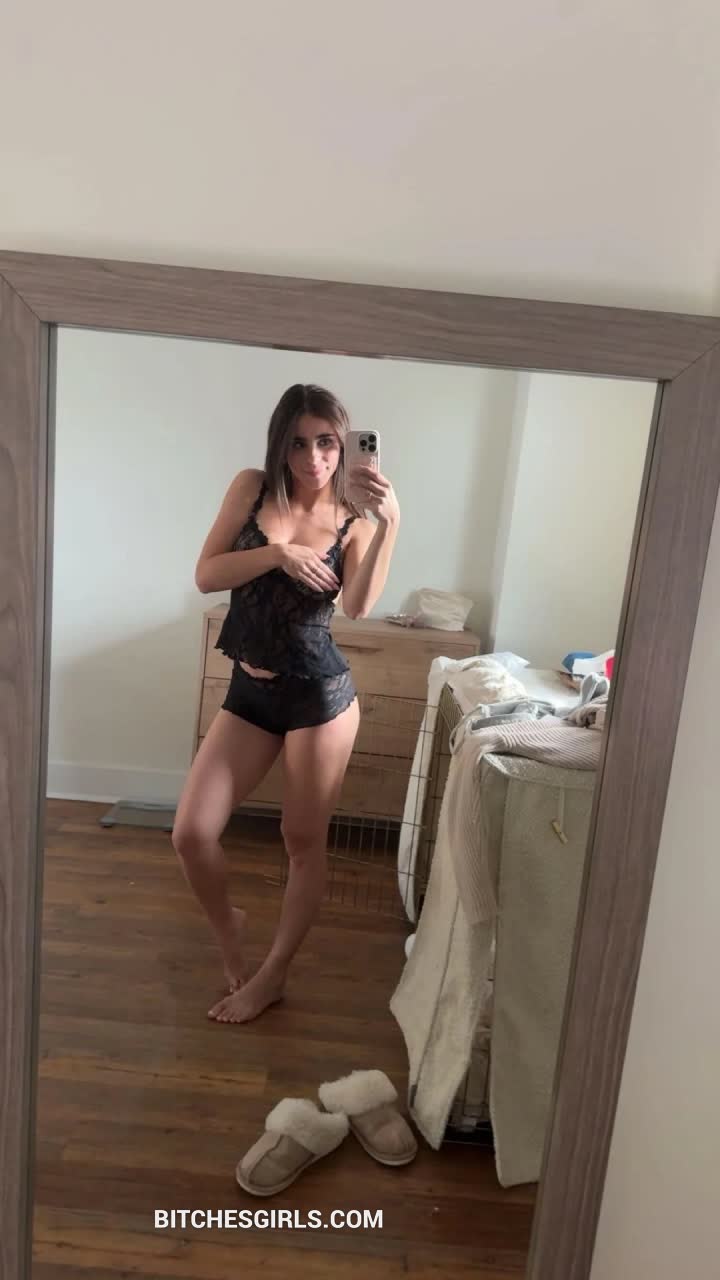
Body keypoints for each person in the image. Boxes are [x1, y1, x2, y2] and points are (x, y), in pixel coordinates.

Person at [171, 384, 400, 1024]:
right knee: (191, 834)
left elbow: (358, 606)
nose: (314, 458)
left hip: (318, 699)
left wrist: (391, 523)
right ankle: (230, 927)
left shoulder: (354, 518)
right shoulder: (251, 488)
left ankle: (272, 975)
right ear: (280, 444)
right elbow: (207, 574)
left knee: (301, 840)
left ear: (343, 445)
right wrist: (279, 554)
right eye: (299, 443)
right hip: (251, 691)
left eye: (326, 442)